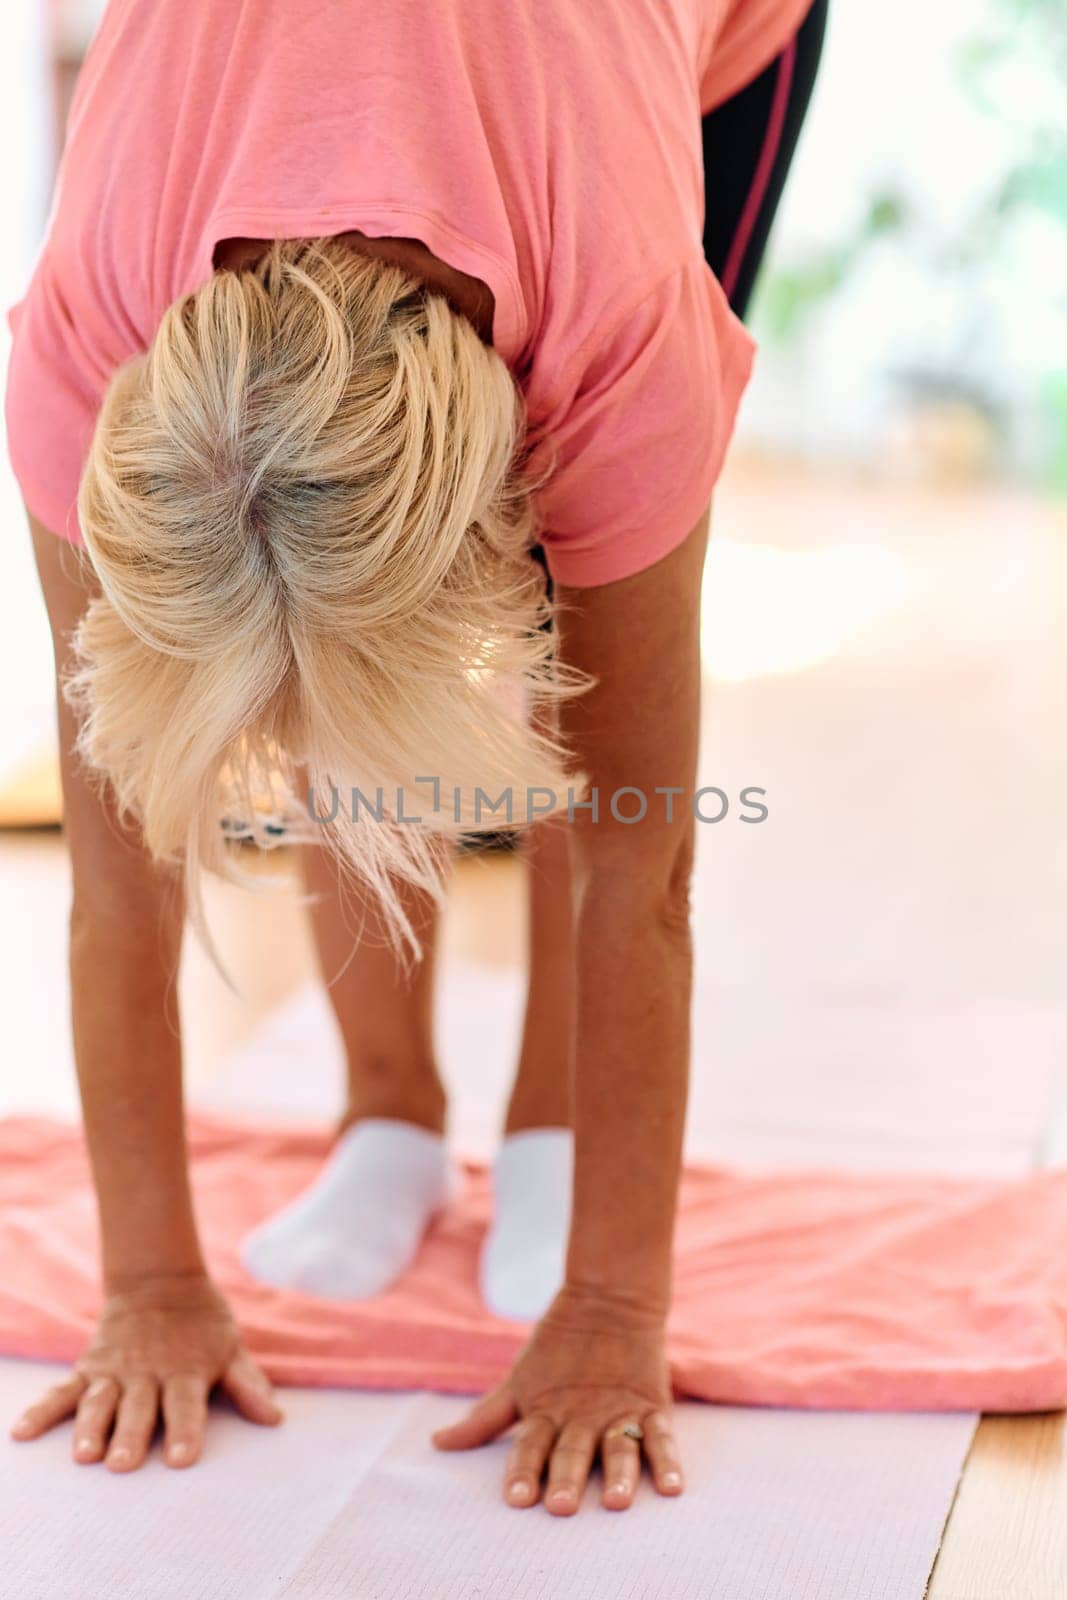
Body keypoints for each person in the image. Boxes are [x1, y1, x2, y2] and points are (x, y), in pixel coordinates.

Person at [4, 0, 826, 1515]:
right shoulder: (85, 336)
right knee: (315, 622)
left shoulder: (617, 330)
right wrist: (150, 1282)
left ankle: (548, 1136)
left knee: (601, 732)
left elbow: (644, 856)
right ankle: (386, 1118)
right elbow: (116, 875)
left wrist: (612, 1313)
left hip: (657, 58)